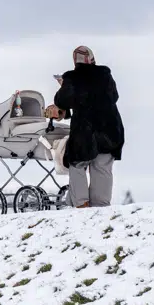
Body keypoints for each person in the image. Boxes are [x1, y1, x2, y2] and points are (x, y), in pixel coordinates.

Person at [46, 46, 124, 208]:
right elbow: (113, 96)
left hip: (85, 133)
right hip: (110, 129)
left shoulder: (73, 78)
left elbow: (62, 101)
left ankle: (82, 205)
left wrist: (63, 85)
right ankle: (101, 206)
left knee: (77, 165)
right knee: (102, 167)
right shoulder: (105, 75)